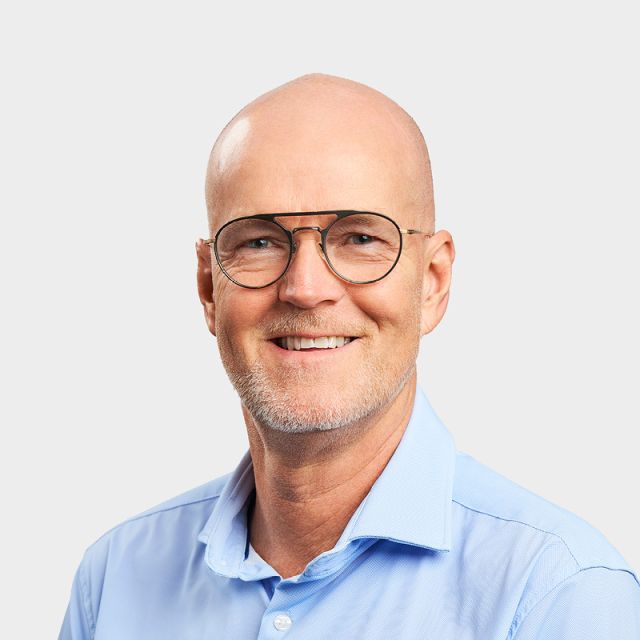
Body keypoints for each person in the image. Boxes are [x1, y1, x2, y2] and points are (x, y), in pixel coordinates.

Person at [59, 73, 640, 639]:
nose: (305, 288)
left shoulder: (556, 594)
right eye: (259, 241)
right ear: (210, 288)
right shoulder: (113, 581)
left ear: (432, 282)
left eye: (360, 238)